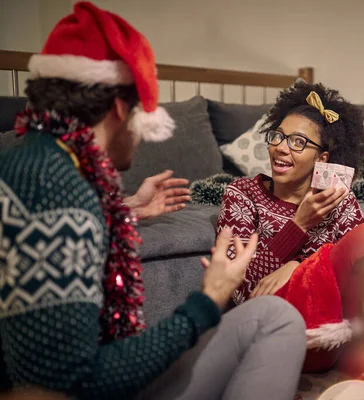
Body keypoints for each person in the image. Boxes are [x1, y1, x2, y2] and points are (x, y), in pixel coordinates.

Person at [0, 2, 306, 400]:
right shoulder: (62, 195)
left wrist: (125, 208)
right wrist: (209, 299)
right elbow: (74, 382)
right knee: (277, 319)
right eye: (144, 114)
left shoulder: (28, 165)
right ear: (118, 109)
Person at [214, 81, 364, 372]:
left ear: (322, 158)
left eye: (298, 142)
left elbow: (362, 264)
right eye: (278, 137)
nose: (280, 149)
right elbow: (241, 289)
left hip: (340, 331)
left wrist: (298, 264)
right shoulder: (242, 194)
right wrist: (299, 224)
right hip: (285, 331)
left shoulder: (337, 198)